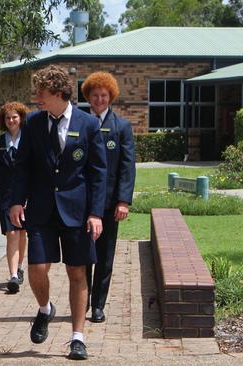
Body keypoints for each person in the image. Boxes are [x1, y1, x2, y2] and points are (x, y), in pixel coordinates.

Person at [9, 65, 107, 360]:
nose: (38, 98)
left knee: (77, 272)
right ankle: (45, 308)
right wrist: (16, 201)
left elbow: (98, 173)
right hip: (41, 210)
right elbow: (22, 166)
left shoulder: (88, 124)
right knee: (38, 268)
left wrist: (95, 213)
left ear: (60, 93)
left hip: (77, 212)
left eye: (43, 93)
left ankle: (77, 337)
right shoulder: (34, 123)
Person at [81, 72, 136, 324]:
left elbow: (127, 166)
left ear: (111, 96)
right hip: (81, 201)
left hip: (109, 203)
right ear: (88, 97)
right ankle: (81, 300)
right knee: (82, 255)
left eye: (104, 95)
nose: (100, 100)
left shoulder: (121, 126)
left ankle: (98, 305)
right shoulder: (80, 123)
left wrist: (123, 200)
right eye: (95, 95)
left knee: (104, 255)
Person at [0, 101, 30, 294]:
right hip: (4, 198)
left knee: (22, 234)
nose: (11, 120)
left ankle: (19, 266)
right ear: (3, 120)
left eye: (14, 117)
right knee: (11, 234)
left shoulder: (29, 140)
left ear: (21, 118)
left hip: (26, 197)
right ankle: (13, 276)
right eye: (8, 118)